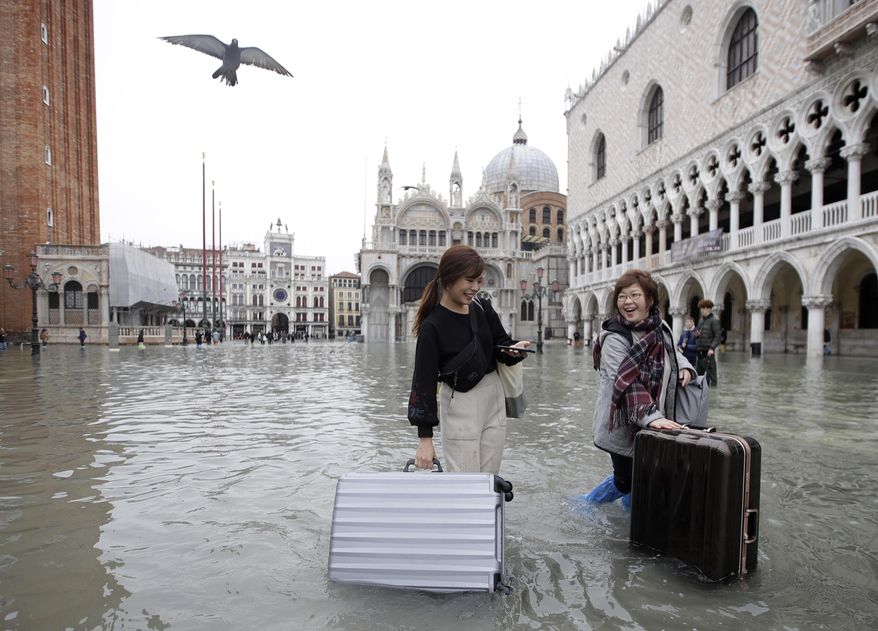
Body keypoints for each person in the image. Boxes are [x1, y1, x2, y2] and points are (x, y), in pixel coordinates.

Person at [408, 245, 531, 474]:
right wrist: (425, 438)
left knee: (490, 478)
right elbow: (423, 382)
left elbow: (499, 344)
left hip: (493, 398)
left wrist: (513, 350)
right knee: (464, 480)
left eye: (479, 281)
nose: (475, 288)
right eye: (469, 280)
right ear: (448, 278)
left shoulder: (482, 308)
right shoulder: (432, 326)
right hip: (459, 403)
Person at [583, 269, 696, 507]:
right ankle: (586, 505)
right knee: (626, 480)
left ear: (650, 300)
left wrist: (685, 367)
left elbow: (673, 352)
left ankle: (629, 521)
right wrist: (651, 417)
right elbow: (623, 381)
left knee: (643, 476)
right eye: (622, 296)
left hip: (653, 417)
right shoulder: (615, 336)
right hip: (624, 420)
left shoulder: (658, 327)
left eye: (635, 295)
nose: (628, 302)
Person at [695, 299, 721, 387]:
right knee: (698, 377)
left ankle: (712, 395)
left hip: (708, 353)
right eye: (701, 308)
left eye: (703, 308)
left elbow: (718, 337)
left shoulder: (714, 321)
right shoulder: (700, 321)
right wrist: (697, 335)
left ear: (709, 309)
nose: (701, 310)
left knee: (712, 377)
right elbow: (698, 333)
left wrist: (712, 348)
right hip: (699, 352)